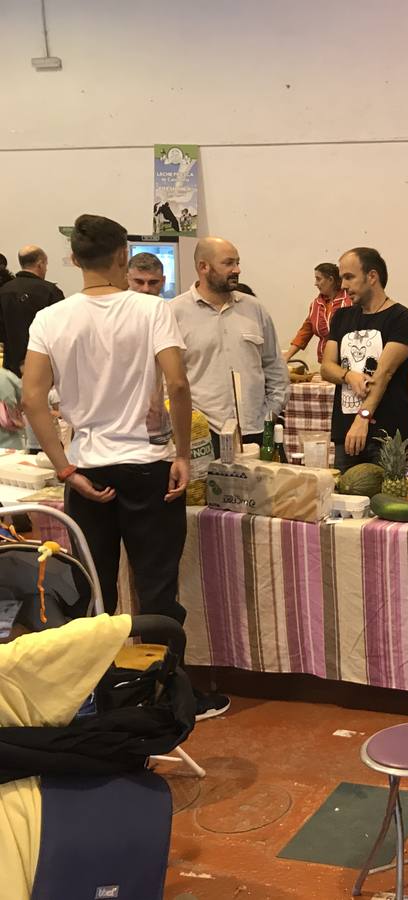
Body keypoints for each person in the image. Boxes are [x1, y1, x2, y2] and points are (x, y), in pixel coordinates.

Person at [21, 213, 228, 719]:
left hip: (88, 470)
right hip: (146, 465)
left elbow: (31, 398)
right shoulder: (150, 310)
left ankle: (97, 697)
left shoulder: (51, 318)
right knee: (156, 591)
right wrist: (182, 453)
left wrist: (65, 469)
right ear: (122, 257)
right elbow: (178, 385)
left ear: (73, 259)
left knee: (94, 593)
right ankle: (164, 697)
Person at [169, 237, 289, 455]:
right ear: (203, 267)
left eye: (238, 262)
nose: (237, 269)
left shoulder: (255, 309)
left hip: (255, 429)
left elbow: (275, 367)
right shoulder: (174, 313)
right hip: (203, 436)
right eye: (229, 263)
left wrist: (269, 413)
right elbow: (165, 380)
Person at [321, 247, 408, 468]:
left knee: (387, 501)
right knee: (345, 499)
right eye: (341, 278)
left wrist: (362, 417)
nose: (343, 286)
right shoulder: (341, 317)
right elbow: (327, 367)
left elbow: (384, 373)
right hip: (346, 436)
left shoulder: (403, 319)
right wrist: (348, 376)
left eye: (349, 277)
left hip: (387, 439)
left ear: (372, 276)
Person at [0, 245, 65, 376]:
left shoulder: (3, 291)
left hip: (10, 367)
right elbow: (61, 332)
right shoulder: (51, 292)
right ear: (40, 264)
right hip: (43, 366)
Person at [284, 262, 352, 368]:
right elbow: (305, 332)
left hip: (348, 362)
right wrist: (287, 356)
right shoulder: (316, 305)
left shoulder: (350, 301)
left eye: (318, 279)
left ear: (330, 280)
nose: (315, 283)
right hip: (325, 364)